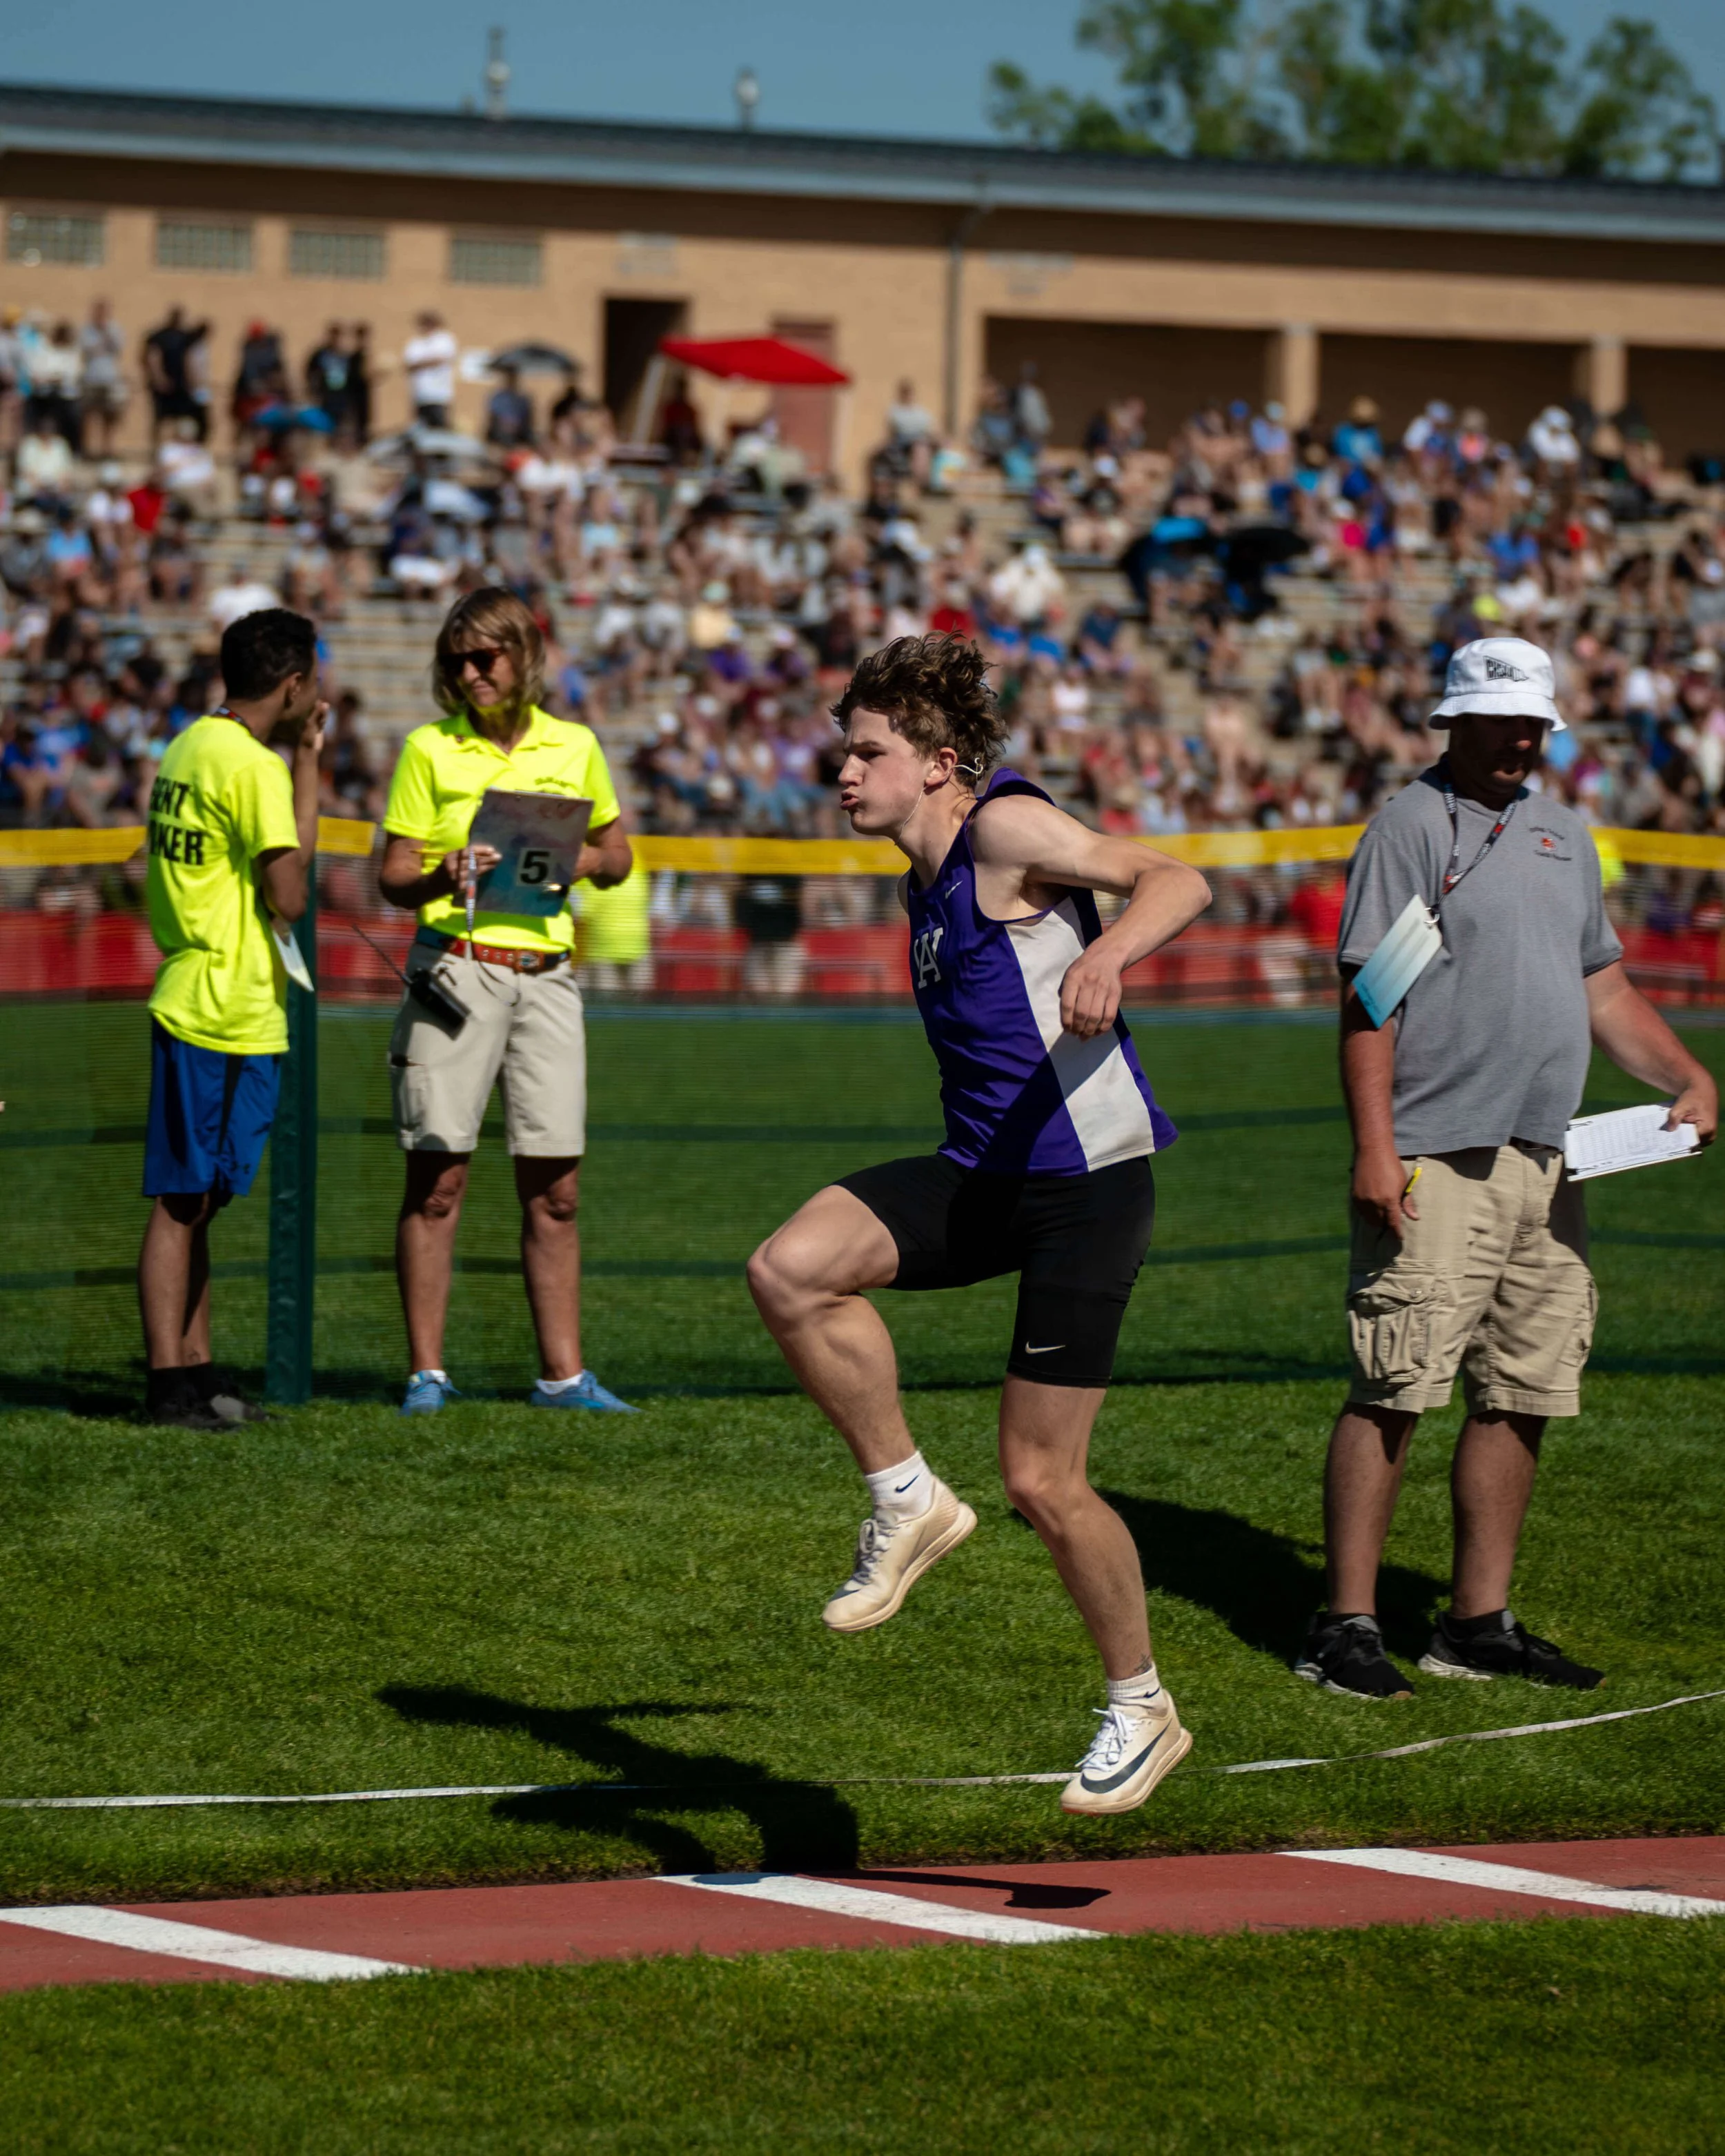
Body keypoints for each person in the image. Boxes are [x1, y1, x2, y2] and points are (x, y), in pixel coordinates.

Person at [747, 634, 1212, 1816]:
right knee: (792, 1270)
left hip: (1087, 1190)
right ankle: (907, 1498)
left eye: (868, 754)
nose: (842, 773)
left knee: (1044, 1481)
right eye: (842, 752)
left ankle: (1140, 1706)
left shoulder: (1004, 830)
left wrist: (1107, 950)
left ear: (941, 763)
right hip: (989, 1174)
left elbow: (1178, 880)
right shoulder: (922, 873)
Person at [1299, 635, 1718, 1701]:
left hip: (1554, 1159)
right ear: (1458, 720)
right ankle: (1342, 1625)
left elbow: (1605, 988)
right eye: (1505, 720)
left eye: (1537, 722)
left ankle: (1476, 1621)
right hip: (1438, 1156)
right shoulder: (1413, 827)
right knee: (1396, 1385)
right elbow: (1372, 1001)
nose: (1524, 738)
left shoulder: (1562, 835)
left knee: (1525, 1388)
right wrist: (1375, 1147)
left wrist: (1687, 1073)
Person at [377, 586, 635, 1415]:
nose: (469, 671)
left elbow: (618, 852)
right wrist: (441, 873)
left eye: (484, 656)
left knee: (557, 1189)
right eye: (456, 659)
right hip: (455, 965)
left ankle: (562, 1378)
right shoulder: (428, 749)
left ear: (524, 655)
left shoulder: (576, 744)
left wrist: (571, 860)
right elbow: (391, 876)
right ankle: (427, 1374)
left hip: (549, 975)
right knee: (437, 1180)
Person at [137, 609, 326, 1427]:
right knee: (183, 1200)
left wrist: (302, 759)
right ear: (291, 684)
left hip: (201, 991)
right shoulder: (251, 766)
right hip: (220, 1003)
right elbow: (290, 896)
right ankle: (166, 1385)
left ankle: (198, 1373)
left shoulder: (188, 744)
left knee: (200, 1197)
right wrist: (309, 760)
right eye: (310, 680)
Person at [78, 299, 126, 457]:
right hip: (91, 377)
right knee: (89, 414)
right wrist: (100, 341)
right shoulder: (86, 330)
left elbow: (118, 349)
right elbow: (87, 350)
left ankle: (107, 449)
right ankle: (88, 449)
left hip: (109, 377)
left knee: (110, 416)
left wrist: (106, 333)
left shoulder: (115, 329)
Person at [404, 311, 457, 431]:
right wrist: (427, 362)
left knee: (439, 430)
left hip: (439, 396)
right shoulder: (415, 343)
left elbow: (441, 359)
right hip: (420, 396)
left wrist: (420, 363)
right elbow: (408, 365)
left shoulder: (444, 340)